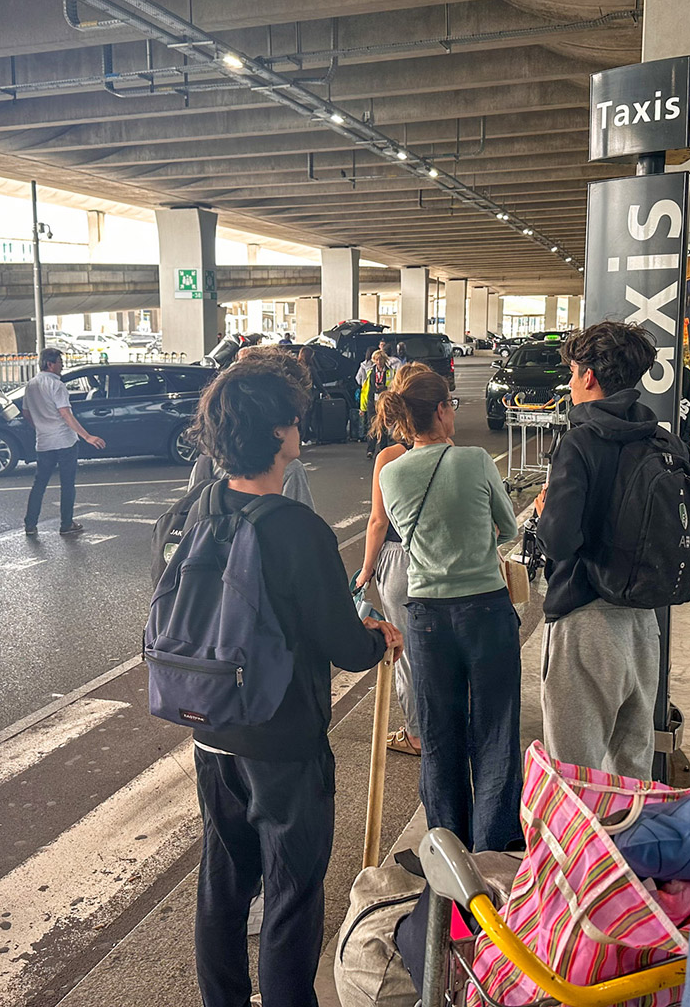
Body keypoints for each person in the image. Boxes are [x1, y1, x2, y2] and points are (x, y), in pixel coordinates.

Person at [182, 351, 402, 1007]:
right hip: (282, 740)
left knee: (222, 886)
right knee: (292, 893)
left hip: (209, 731)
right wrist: (375, 639)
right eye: (295, 420)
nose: (301, 430)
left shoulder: (191, 514)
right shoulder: (295, 530)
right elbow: (340, 640)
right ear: (277, 432)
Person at [535, 322, 690, 777]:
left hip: (584, 621)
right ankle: (629, 849)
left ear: (590, 377)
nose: (572, 382)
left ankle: (579, 852)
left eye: (574, 372)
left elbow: (559, 542)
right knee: (631, 774)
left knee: (572, 774)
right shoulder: (665, 441)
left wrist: (544, 511)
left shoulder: (580, 443)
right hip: (643, 625)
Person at [377, 363, 522, 852]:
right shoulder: (476, 460)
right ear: (441, 410)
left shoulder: (391, 473)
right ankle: (493, 847)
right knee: (495, 728)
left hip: (425, 616)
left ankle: (448, 848)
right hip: (485, 607)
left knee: (440, 733)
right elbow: (509, 529)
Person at [354, 418, 420, 755]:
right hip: (435, 560)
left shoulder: (389, 456)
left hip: (398, 561)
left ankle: (416, 734)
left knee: (405, 652)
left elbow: (379, 520)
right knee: (436, 649)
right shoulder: (450, 453)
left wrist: (366, 569)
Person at [22, 348, 106, 537]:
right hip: (64, 441)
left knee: (39, 484)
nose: (62, 365)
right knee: (67, 484)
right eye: (60, 362)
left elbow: (26, 412)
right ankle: (66, 523)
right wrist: (87, 436)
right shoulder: (57, 385)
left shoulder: (31, 385)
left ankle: (30, 523)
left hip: (43, 442)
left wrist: (40, 426)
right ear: (50, 364)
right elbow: (65, 413)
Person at [360, 350, 398, 459]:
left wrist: (384, 388)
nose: (378, 361)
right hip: (373, 402)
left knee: (383, 425)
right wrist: (363, 407)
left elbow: (394, 387)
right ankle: (370, 450)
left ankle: (383, 448)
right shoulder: (371, 372)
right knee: (371, 425)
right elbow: (365, 390)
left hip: (384, 401)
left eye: (380, 359)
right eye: (376, 359)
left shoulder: (390, 372)